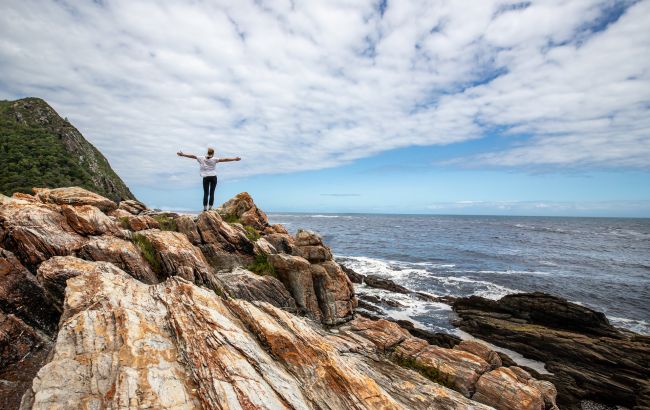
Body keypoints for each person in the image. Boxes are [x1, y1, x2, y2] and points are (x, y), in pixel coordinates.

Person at [177, 147, 241, 211]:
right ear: (213, 153)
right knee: (212, 193)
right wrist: (235, 159)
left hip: (206, 177)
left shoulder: (201, 158)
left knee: (206, 193)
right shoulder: (214, 159)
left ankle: (205, 208)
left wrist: (183, 154)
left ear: (207, 152)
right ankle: (210, 207)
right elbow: (225, 159)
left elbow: (192, 156)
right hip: (213, 177)